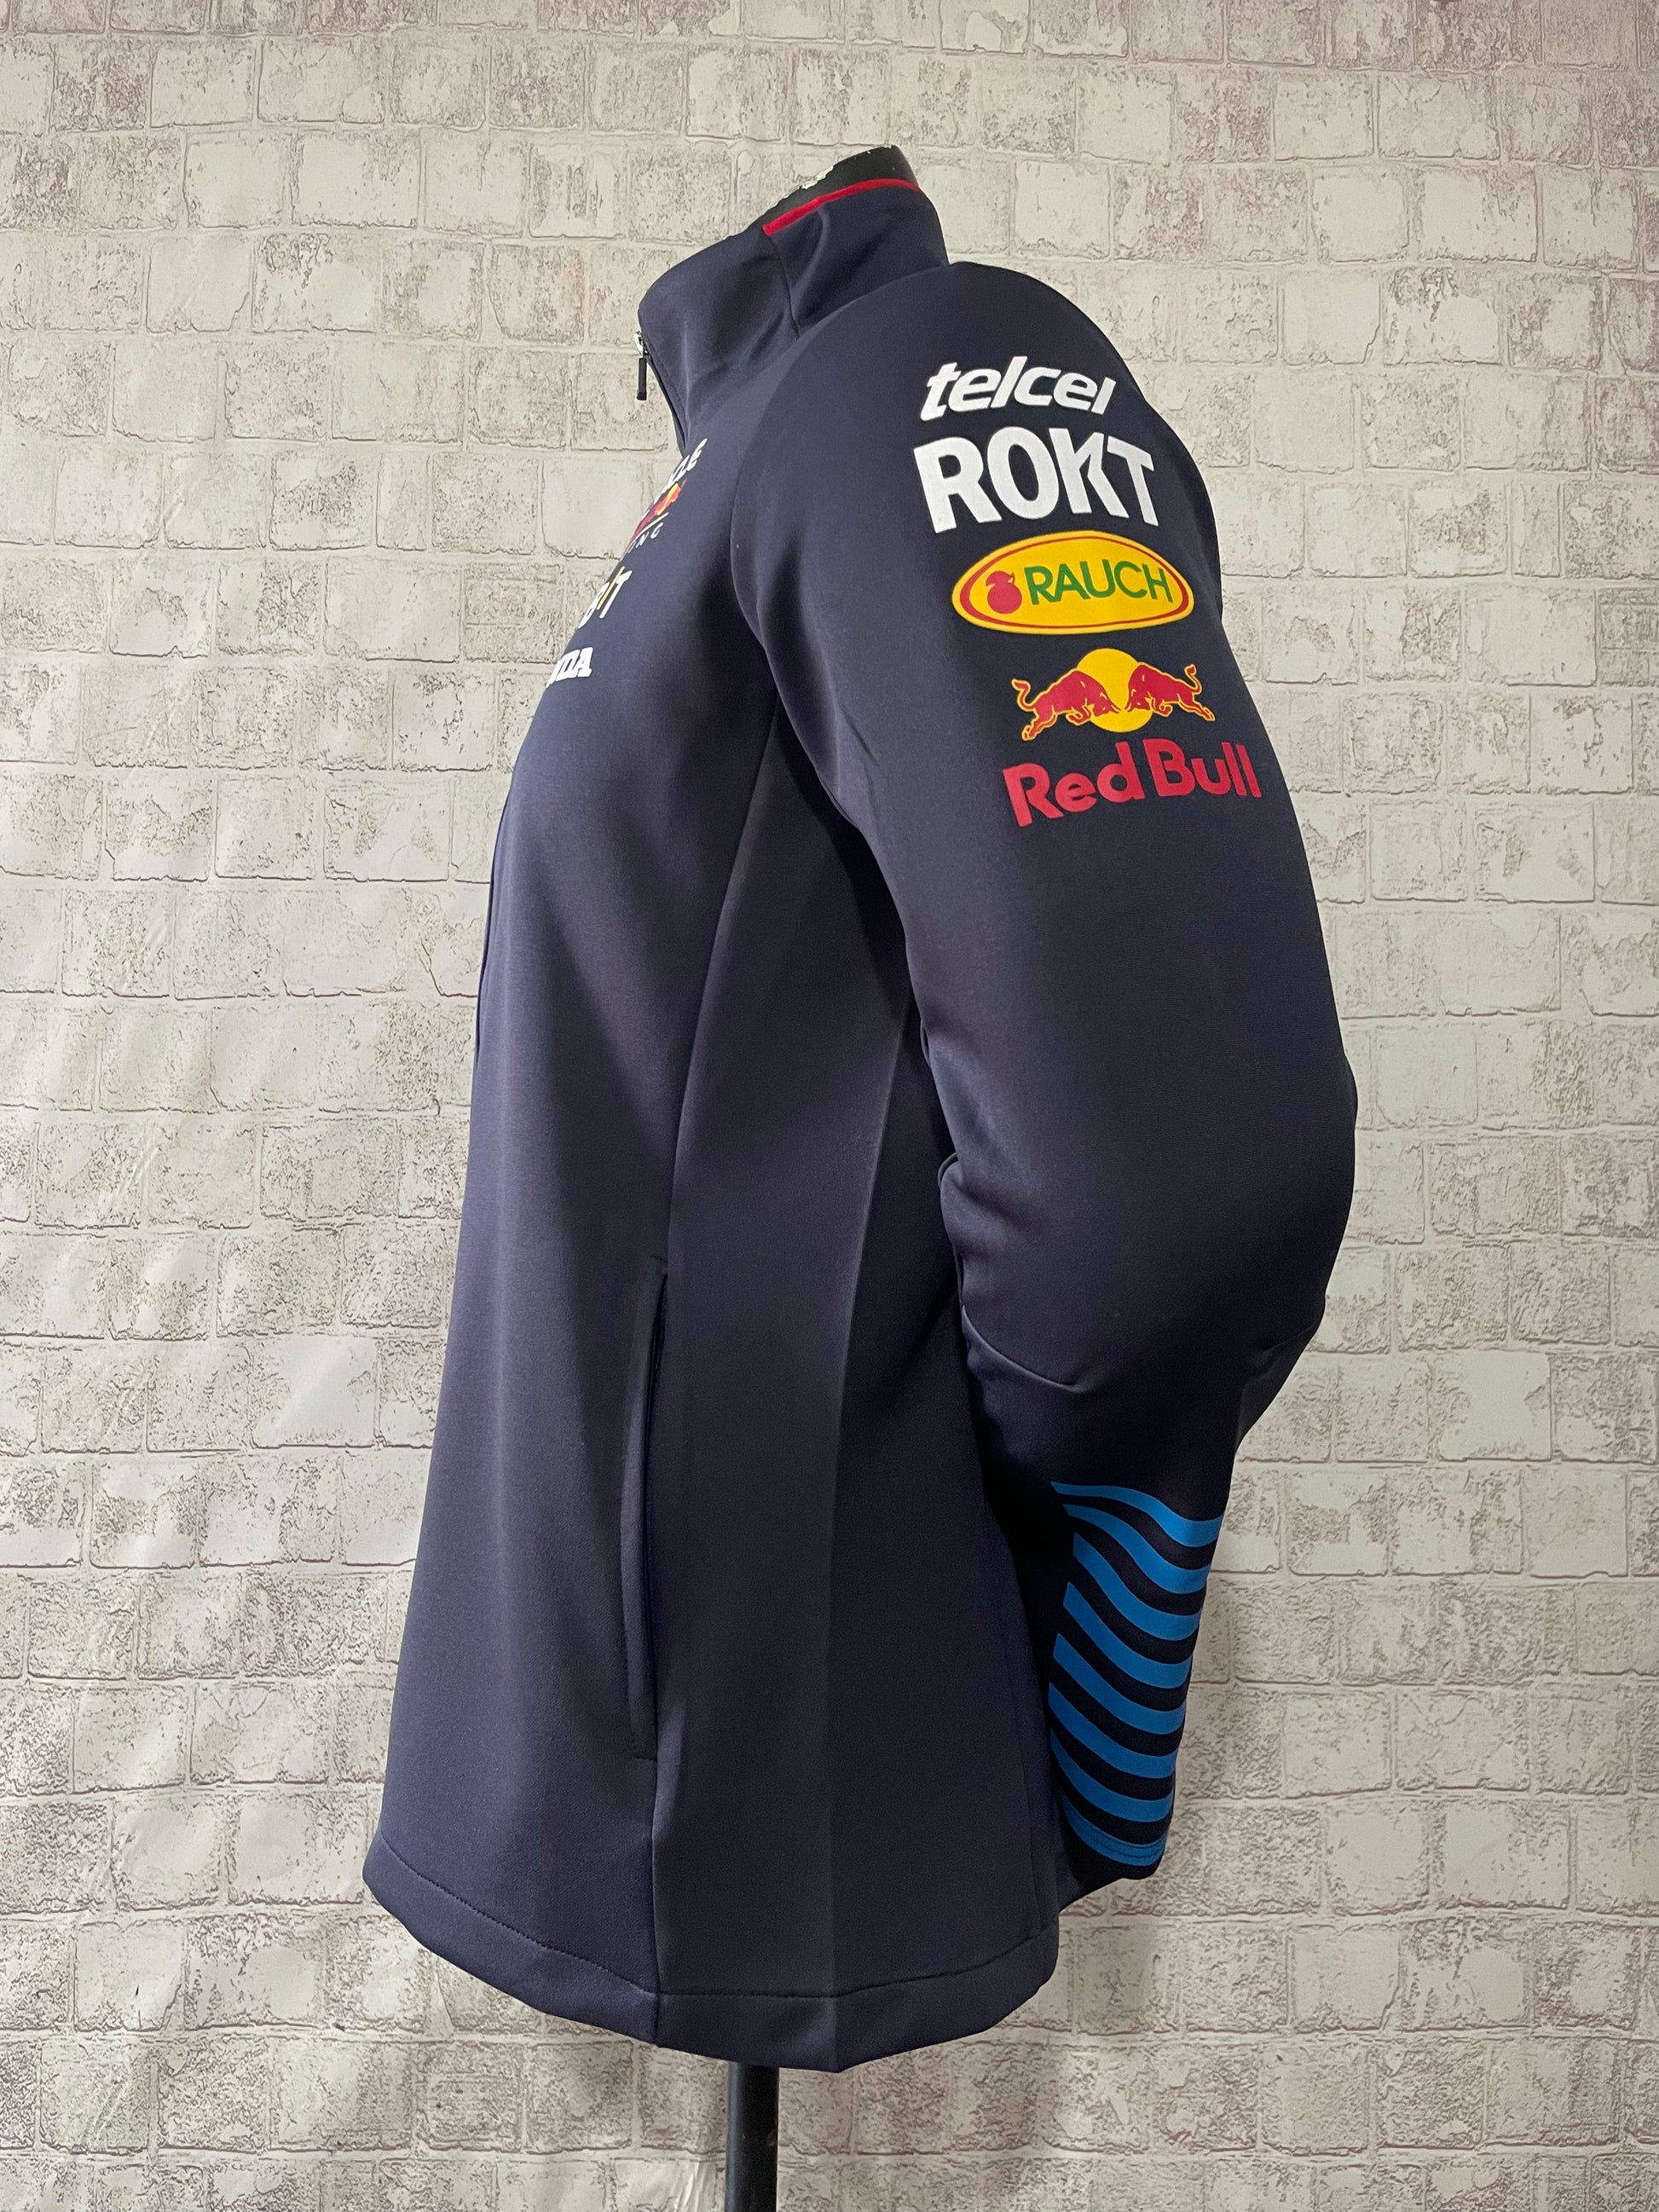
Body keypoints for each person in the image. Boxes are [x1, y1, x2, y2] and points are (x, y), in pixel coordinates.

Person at [364, 146, 1357, 2074]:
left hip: (787, 1682)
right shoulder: (735, 470)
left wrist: (1071, 1536)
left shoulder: (928, 377)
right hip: (608, 1669)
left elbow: (1181, 1164)